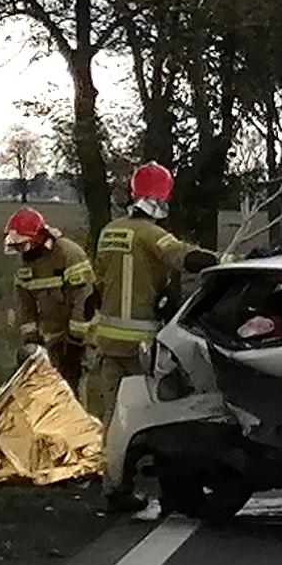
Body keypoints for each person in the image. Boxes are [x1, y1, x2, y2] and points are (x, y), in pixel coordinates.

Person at [84, 163, 221, 511]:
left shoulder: (109, 231)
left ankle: (113, 484)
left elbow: (101, 284)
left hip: (107, 341)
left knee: (113, 414)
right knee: (156, 413)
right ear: (161, 200)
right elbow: (182, 256)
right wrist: (224, 262)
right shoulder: (150, 234)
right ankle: (164, 482)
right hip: (140, 343)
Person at [3, 207, 95, 387]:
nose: (21, 251)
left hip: (80, 339)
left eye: (23, 244)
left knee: (74, 389)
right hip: (50, 340)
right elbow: (25, 305)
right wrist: (31, 341)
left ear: (38, 237)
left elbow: (85, 300)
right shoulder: (25, 264)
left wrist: (76, 343)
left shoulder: (69, 255)